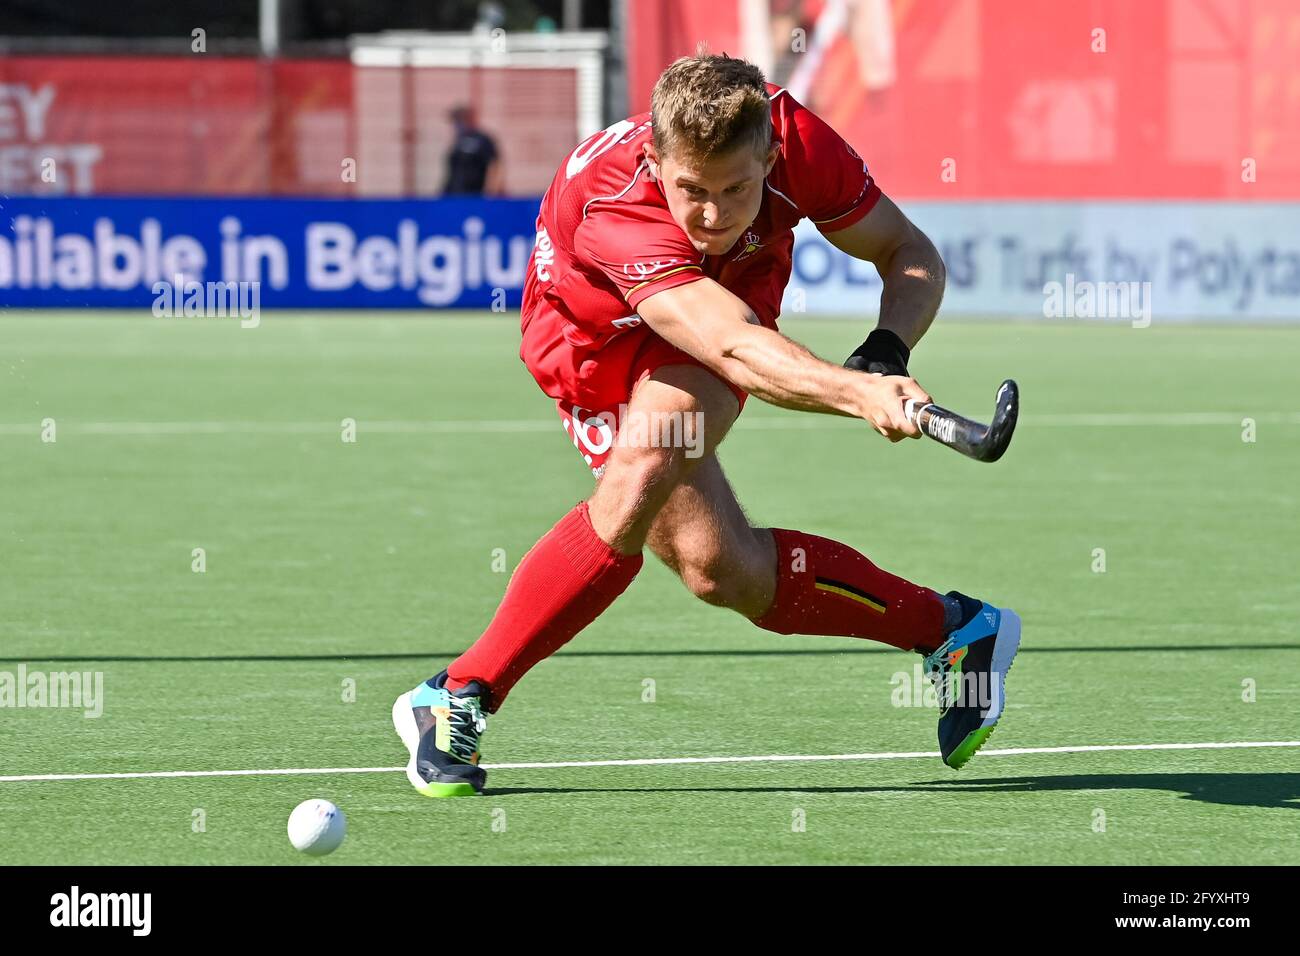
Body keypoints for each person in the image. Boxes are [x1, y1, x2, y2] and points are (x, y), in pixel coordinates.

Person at [392, 53, 1021, 797]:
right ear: (655, 161)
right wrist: (858, 394)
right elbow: (729, 345)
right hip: (596, 344)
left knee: (643, 472)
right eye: (692, 192)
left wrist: (886, 349)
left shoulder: (797, 140)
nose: (715, 217)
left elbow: (908, 252)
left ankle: (459, 693)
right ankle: (952, 630)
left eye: (737, 189)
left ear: (771, 155)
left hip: (725, 314)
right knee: (720, 572)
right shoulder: (615, 206)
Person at [442, 105, 501, 196]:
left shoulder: (482, 139)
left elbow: (494, 165)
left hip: (474, 193)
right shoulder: (457, 140)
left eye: (459, 120)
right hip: (453, 193)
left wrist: (491, 191)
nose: (456, 124)